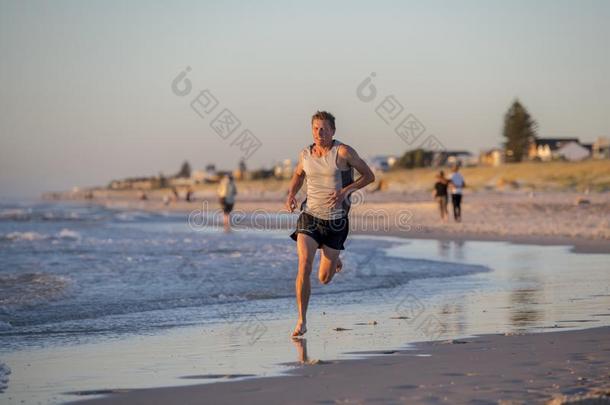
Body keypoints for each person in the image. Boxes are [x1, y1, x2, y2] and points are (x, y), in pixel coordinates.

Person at [286, 111, 375, 337]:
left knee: (323, 279)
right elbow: (298, 175)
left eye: (324, 128)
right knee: (304, 264)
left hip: (336, 222)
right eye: (316, 128)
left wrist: (345, 191)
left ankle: (333, 255)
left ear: (333, 131)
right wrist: (291, 194)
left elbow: (368, 176)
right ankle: (301, 320)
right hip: (310, 217)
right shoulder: (305, 154)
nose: (319, 132)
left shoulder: (343, 152)